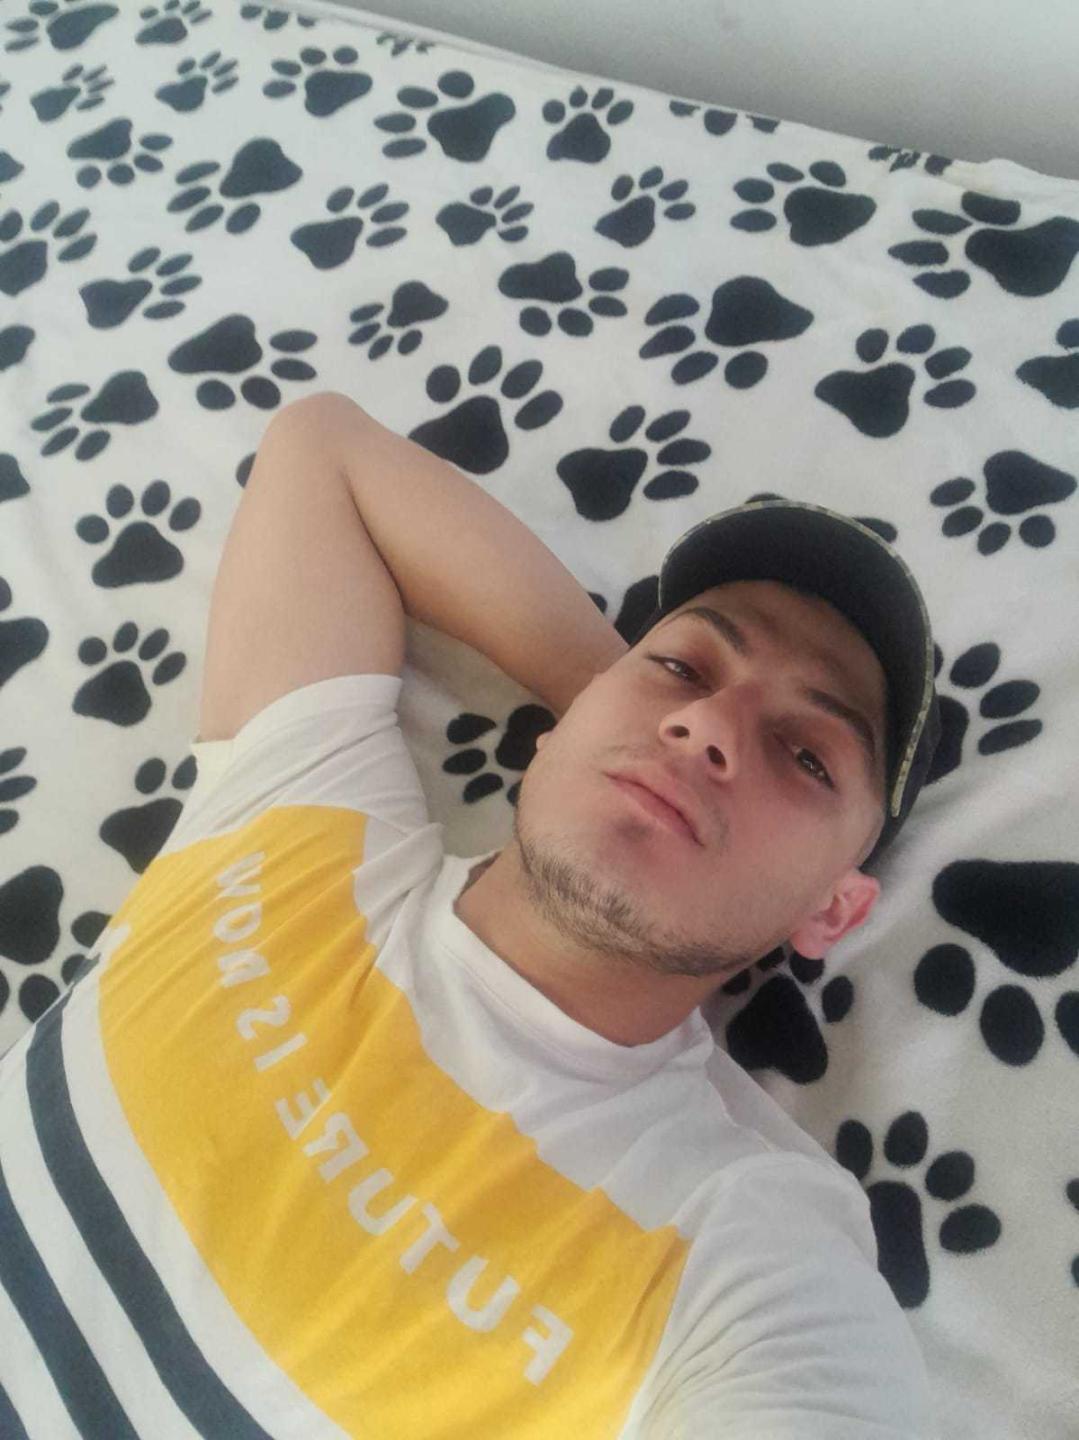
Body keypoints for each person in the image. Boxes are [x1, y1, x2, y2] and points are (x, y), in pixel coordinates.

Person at [0, 490, 943, 1438]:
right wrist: (614, 728)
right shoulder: (305, 805)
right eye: (679, 667)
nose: (707, 726)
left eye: (806, 756)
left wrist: (632, 729)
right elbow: (323, 463)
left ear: (832, 908)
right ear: (555, 726)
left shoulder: (752, 1256)